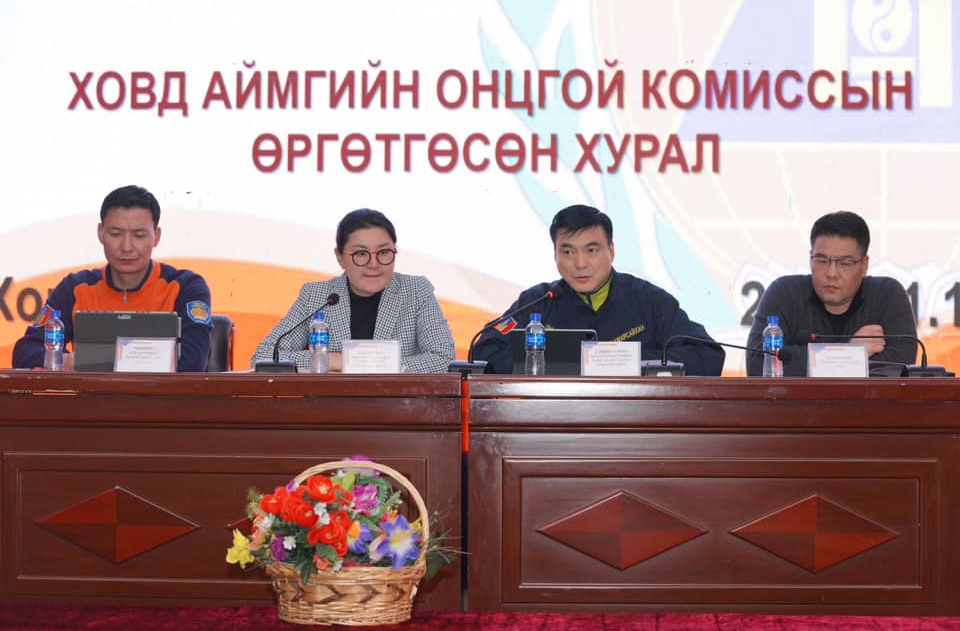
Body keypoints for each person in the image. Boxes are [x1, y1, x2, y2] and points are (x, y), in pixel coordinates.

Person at [472, 204, 725, 375]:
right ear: (555, 255)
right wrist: (557, 363)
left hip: (635, 423)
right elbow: (485, 349)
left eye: (591, 250)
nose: (580, 263)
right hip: (555, 421)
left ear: (611, 251)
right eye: (568, 252)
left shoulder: (649, 300)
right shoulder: (537, 301)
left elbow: (707, 355)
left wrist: (624, 360)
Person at [12, 185, 213, 371]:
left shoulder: (185, 287)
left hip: (160, 398)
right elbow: (25, 351)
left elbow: (194, 362)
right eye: (115, 233)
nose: (126, 247)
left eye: (139, 235)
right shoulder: (75, 288)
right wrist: (67, 362)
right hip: (92, 399)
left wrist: (90, 363)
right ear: (101, 233)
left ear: (157, 236)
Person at [251, 208, 455, 373]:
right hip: (331, 408)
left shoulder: (416, 291)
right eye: (361, 254)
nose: (374, 264)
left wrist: (359, 363)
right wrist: (334, 360)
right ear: (340, 257)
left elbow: (444, 359)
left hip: (399, 408)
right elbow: (264, 356)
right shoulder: (316, 296)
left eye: (384, 252)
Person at [746, 211, 917, 376]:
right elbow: (758, 364)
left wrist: (819, 362)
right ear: (810, 258)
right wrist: (849, 352)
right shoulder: (784, 293)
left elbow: (899, 369)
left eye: (845, 263)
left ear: (864, 265)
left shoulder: (887, 295)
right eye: (821, 260)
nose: (832, 273)